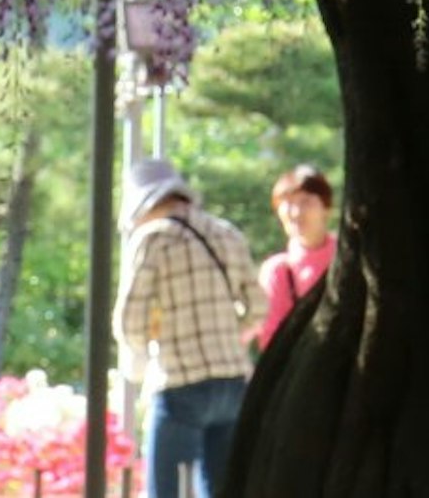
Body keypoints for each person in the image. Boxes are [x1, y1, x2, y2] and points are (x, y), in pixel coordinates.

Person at [112, 157, 258, 498]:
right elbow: (257, 307)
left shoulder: (152, 239)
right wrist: (225, 334)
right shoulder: (226, 233)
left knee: (166, 491)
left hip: (180, 382)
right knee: (223, 487)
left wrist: (144, 353)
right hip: (233, 381)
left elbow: (129, 320)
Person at [257, 164, 336, 348]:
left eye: (306, 201)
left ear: (326, 208)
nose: (295, 212)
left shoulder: (351, 258)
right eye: (287, 203)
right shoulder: (277, 270)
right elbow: (271, 339)